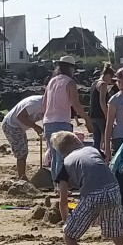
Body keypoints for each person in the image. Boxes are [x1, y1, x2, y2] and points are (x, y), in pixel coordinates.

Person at [50, 131, 123, 245]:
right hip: (113, 189)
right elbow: (101, 166)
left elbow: (63, 200)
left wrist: (66, 221)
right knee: (117, 235)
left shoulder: (65, 164)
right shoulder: (93, 150)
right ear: (77, 141)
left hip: (93, 194)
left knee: (69, 236)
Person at [41, 56, 90, 189]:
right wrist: (86, 118)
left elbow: (44, 104)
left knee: (54, 156)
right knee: (63, 157)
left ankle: (56, 187)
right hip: (61, 122)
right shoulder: (70, 82)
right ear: (70, 68)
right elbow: (76, 104)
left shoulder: (51, 82)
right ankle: (61, 186)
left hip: (48, 122)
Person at [1, 93, 44, 179]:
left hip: (19, 127)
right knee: (21, 152)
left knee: (23, 151)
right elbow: (20, 116)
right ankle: (22, 177)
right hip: (11, 125)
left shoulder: (48, 105)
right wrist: (35, 127)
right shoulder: (36, 103)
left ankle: (22, 175)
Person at [89, 64, 115, 146]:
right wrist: (107, 115)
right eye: (111, 78)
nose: (110, 81)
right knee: (105, 136)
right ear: (107, 75)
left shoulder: (94, 83)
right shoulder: (103, 84)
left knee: (96, 138)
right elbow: (102, 101)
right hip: (100, 115)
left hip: (92, 114)